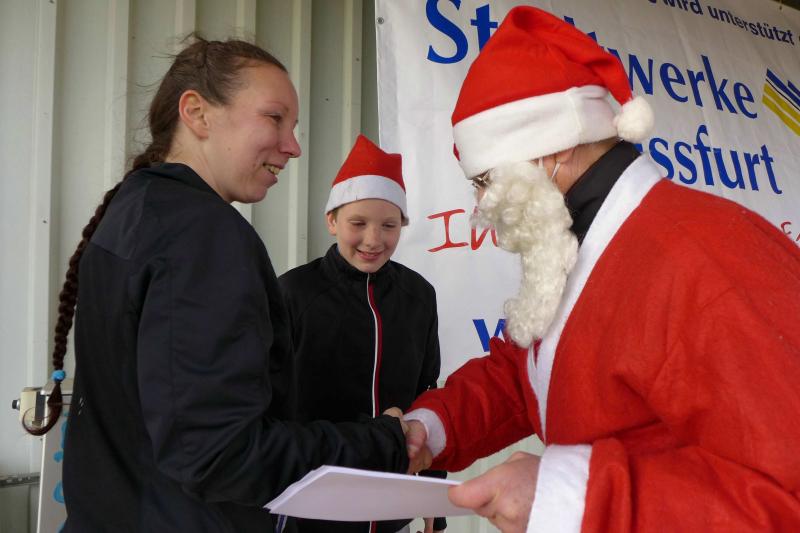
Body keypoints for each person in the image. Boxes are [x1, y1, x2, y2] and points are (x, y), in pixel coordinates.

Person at [403, 6, 800, 532]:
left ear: (552, 152)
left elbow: (786, 492)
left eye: (484, 180)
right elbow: (529, 375)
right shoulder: (582, 244)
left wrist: (573, 501)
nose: (482, 205)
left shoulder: (705, 256)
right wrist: (433, 427)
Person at [25, 37, 411, 533]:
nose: (293, 146)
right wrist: (385, 442)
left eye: (293, 127)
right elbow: (219, 455)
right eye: (275, 118)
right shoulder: (203, 233)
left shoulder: (136, 209)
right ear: (197, 113)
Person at [279, 134, 446, 533]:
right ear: (332, 221)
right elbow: (270, 408)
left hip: (393, 511)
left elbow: (428, 395)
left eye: (389, 225)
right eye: (358, 223)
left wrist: (434, 498)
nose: (373, 240)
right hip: (313, 511)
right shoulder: (293, 293)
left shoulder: (419, 296)